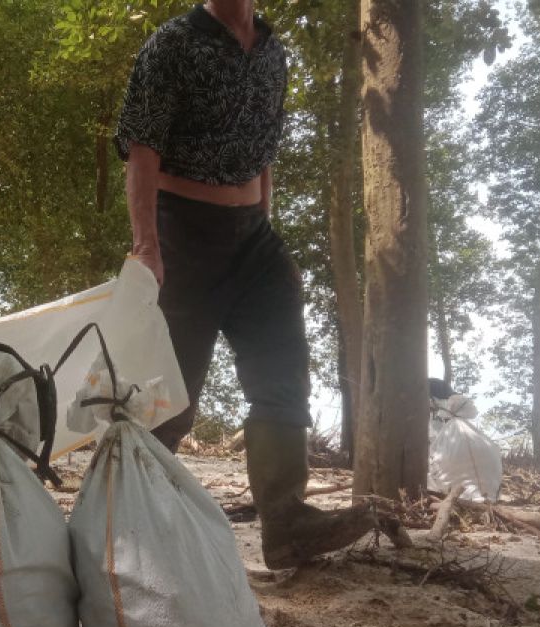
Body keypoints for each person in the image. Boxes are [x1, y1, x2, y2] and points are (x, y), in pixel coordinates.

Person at [114, 0, 375, 569]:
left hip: (255, 237)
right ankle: (135, 523)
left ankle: (286, 523)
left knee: (283, 376)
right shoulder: (174, 43)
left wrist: (266, 224)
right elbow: (141, 147)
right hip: (182, 233)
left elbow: (264, 153)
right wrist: (146, 246)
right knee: (169, 397)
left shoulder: (274, 53)